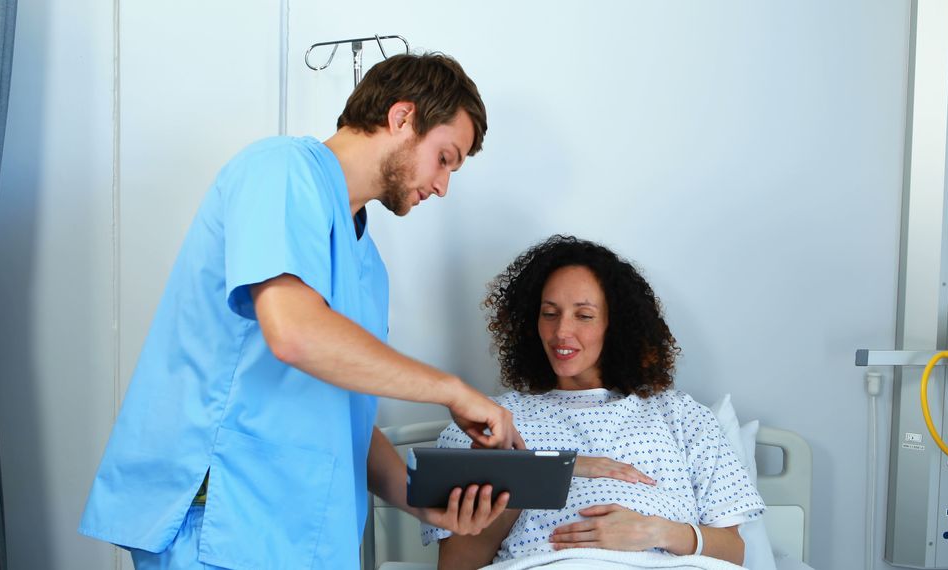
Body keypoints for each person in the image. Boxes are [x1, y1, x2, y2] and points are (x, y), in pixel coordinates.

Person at [79, 53, 523, 569]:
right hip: (227, 518)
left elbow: (345, 418)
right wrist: (451, 390)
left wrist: (421, 500)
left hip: (306, 537)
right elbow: (293, 333)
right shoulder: (281, 170)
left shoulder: (368, 266)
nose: (443, 185)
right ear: (403, 118)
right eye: (445, 157)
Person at [423, 235, 765, 569]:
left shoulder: (681, 415)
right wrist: (532, 473)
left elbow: (733, 551)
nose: (561, 332)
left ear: (614, 325)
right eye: (549, 313)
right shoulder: (488, 421)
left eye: (583, 316)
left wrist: (655, 531)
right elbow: (457, 565)